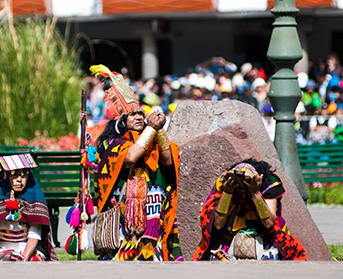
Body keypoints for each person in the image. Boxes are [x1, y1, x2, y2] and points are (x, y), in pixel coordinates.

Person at [90, 64, 182, 261]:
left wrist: (159, 130)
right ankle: (125, 249)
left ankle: (151, 250)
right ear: (122, 121)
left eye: (141, 114)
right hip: (123, 202)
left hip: (153, 202)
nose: (139, 117)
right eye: (133, 115)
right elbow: (131, 156)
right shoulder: (111, 142)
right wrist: (151, 128)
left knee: (156, 196)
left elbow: (167, 162)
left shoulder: (152, 138)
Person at [192, 159, 307, 261]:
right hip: (230, 239)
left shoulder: (269, 183)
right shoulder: (225, 182)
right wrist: (228, 193)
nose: (243, 189)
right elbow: (217, 225)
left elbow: (269, 223)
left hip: (265, 238)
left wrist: (255, 193)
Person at [0, 153, 57, 261]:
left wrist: (25, 258)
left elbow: (34, 234)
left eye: (24, 175)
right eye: (14, 175)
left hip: (28, 250)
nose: (19, 179)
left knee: (35, 262)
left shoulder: (34, 200)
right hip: (0, 250)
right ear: (5, 177)